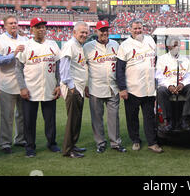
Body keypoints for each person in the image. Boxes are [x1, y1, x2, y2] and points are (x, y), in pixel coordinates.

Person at [15, 18, 61, 158]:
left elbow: (59, 67)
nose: (41, 29)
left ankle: (51, 142)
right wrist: (22, 88)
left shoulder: (53, 44)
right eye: (38, 27)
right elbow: (18, 69)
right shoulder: (26, 45)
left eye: (43, 27)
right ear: (32, 29)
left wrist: (59, 84)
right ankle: (30, 146)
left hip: (49, 87)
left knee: (50, 119)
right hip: (31, 89)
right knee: (29, 120)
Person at [116, 19, 163, 153]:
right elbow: (119, 69)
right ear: (130, 29)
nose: (138, 31)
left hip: (149, 88)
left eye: (140, 28)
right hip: (132, 87)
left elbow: (156, 60)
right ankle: (135, 140)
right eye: (135, 28)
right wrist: (122, 88)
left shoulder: (150, 41)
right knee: (132, 117)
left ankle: (152, 142)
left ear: (143, 28)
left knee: (149, 117)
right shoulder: (125, 45)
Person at [83, 20, 126, 154]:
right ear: (96, 31)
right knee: (97, 118)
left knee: (114, 117)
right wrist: (85, 85)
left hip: (113, 87)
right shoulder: (88, 47)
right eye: (102, 30)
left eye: (106, 30)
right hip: (95, 87)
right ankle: (100, 143)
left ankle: (115, 142)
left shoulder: (115, 45)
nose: (104, 33)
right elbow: (83, 67)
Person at [0, 15, 28, 153]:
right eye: (10, 23)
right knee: (7, 115)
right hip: (7, 82)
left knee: (22, 114)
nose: (13, 25)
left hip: (23, 83)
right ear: (4, 25)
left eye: (15, 23)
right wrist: (14, 54)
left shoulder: (24, 39)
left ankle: (21, 139)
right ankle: (5, 143)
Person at [60, 21, 89, 158]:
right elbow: (64, 68)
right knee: (72, 120)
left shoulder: (79, 46)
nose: (84, 34)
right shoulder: (70, 45)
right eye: (81, 32)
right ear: (74, 32)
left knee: (76, 119)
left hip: (79, 88)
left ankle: (73, 145)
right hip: (73, 88)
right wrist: (72, 87)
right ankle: (67, 149)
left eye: (86, 32)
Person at [155, 36, 190, 131]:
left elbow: (189, 76)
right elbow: (159, 76)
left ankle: (185, 118)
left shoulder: (185, 60)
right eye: (174, 45)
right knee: (161, 91)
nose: (176, 47)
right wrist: (169, 86)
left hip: (181, 85)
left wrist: (182, 84)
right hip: (168, 85)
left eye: (178, 45)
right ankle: (168, 120)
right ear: (168, 46)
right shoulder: (162, 59)